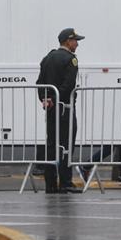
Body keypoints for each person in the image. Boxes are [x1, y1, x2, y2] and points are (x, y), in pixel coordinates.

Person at [37, 29, 83, 194]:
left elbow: (40, 82)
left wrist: (45, 98)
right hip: (65, 108)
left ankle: (50, 184)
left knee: (52, 144)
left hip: (50, 108)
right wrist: (56, 99)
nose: (77, 44)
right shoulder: (71, 60)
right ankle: (65, 182)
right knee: (66, 145)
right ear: (68, 41)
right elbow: (69, 84)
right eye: (75, 41)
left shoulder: (47, 58)